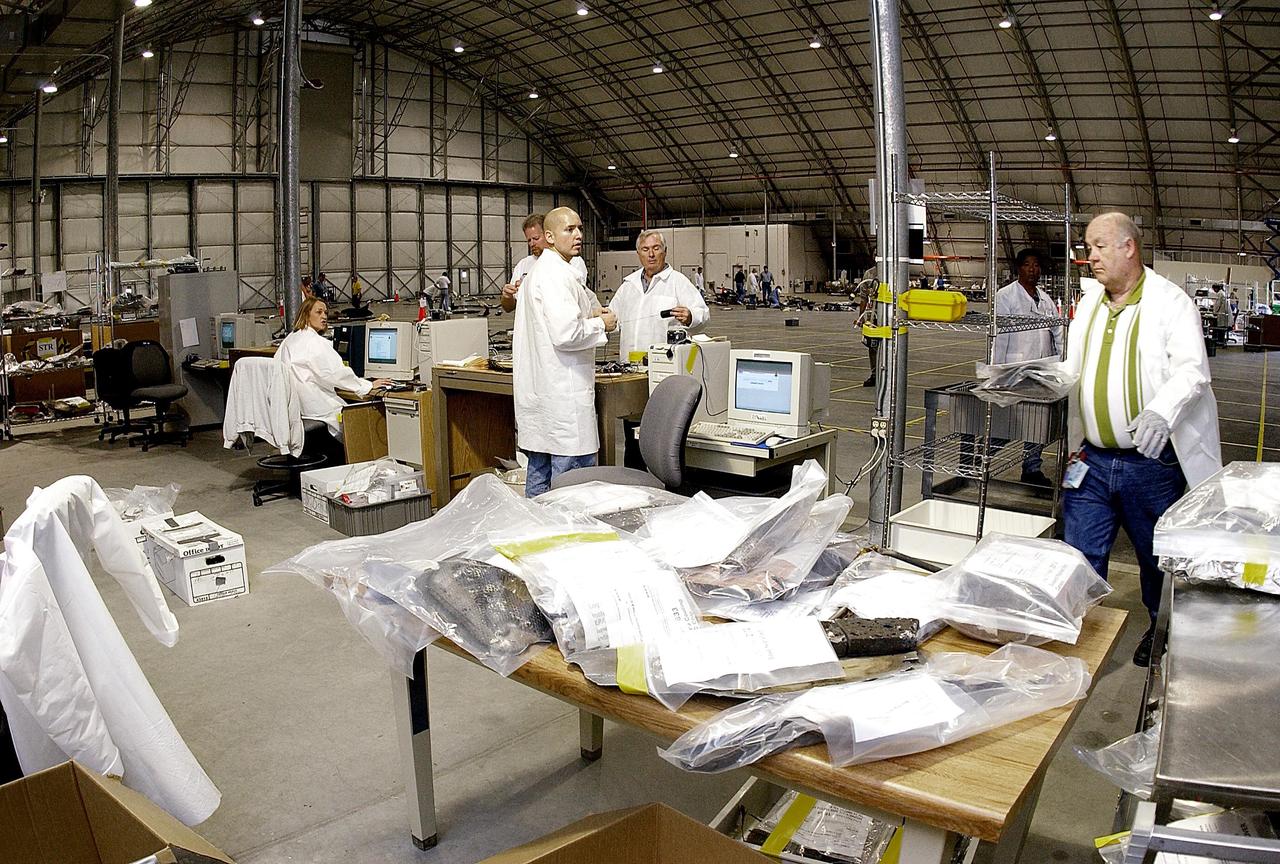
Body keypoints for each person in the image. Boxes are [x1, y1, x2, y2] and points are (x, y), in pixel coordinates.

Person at [1060, 212, 1221, 667]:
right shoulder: (1089, 302)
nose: (1089, 257)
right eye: (1087, 247)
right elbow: (1076, 370)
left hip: (1149, 465)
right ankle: (1078, 630)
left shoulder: (1171, 303)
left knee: (1156, 560)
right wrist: (1036, 380)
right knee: (1080, 553)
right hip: (1089, 460)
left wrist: (1159, 411)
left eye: (1098, 247)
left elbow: (1193, 370)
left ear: (1129, 247)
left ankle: (1160, 626)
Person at [513, 206, 617, 497]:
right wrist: (601, 324)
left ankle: (537, 536)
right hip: (564, 402)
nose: (578, 235)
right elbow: (565, 334)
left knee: (539, 483)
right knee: (570, 495)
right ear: (549, 236)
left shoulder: (541, 272)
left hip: (544, 400)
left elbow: (555, 322)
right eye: (569, 229)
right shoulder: (557, 275)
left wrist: (589, 312)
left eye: (580, 228)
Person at [276, 297, 393, 457]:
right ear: (306, 314)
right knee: (364, 421)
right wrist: (367, 385)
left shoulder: (289, 339)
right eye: (318, 312)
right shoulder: (314, 342)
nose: (324, 316)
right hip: (315, 408)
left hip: (295, 410)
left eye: (325, 312)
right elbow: (334, 373)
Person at [992, 249, 1061, 487]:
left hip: (1042, 370)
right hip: (1015, 369)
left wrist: (1061, 362)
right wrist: (997, 372)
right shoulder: (1006, 296)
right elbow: (999, 336)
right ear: (1018, 269)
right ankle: (978, 462)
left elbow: (1058, 330)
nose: (1033, 270)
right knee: (1008, 423)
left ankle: (1031, 468)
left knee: (1036, 423)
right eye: (1028, 265)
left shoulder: (1045, 298)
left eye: (1036, 265)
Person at [611, 230, 709, 361]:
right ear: (638, 254)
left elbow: (703, 314)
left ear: (665, 251)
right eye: (645, 249)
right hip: (629, 366)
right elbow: (612, 319)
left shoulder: (678, 281)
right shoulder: (628, 285)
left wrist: (691, 317)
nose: (651, 254)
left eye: (656, 248)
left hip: (665, 363)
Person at [502, 213, 587, 313]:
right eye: (529, 240)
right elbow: (509, 308)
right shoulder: (523, 265)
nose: (532, 244)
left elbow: (573, 300)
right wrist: (507, 297)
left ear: (548, 235)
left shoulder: (573, 262)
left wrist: (529, 287)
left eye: (536, 238)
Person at [852, 268, 878, 387]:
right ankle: (875, 374)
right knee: (872, 346)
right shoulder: (869, 274)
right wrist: (861, 317)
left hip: (889, 315)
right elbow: (863, 298)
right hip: (872, 315)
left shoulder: (894, 270)